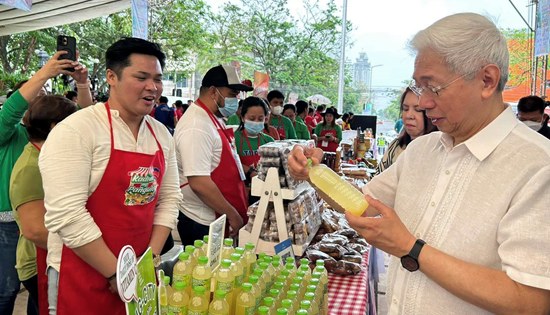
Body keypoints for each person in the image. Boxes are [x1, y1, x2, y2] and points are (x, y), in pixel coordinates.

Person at [288, 13, 550, 314]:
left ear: (487, 81)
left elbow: (531, 300)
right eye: (418, 87)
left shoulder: (537, 166)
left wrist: (411, 249)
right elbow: (363, 204)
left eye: (433, 87)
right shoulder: (422, 150)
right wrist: (314, 174)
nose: (424, 103)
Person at [40, 37, 181, 314]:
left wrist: (147, 260)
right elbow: (67, 215)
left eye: (158, 79)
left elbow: (169, 198)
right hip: (83, 272)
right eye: (141, 77)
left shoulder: (161, 134)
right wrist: (116, 273)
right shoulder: (78, 130)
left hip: (138, 271)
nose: (152, 87)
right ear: (111, 77)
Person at [0, 52, 91, 315]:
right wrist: (45, 73)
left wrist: (82, 84)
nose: (38, 103)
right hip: (11, 222)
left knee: (40, 297)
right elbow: (10, 112)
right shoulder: (12, 134)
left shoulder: (61, 145)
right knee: (7, 288)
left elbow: (85, 118)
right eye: (34, 98)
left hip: (46, 231)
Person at [10, 95, 77, 315]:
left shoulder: (51, 156)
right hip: (39, 263)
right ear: (55, 127)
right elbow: (35, 230)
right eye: (73, 123)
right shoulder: (30, 167)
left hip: (55, 256)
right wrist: (86, 249)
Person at [174, 64, 252, 246]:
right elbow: (199, 183)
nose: (237, 99)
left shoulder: (212, 118)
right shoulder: (196, 126)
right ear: (213, 92)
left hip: (217, 218)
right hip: (202, 222)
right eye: (232, 94)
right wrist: (232, 215)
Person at [376, 87, 437, 173]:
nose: (409, 115)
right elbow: (376, 181)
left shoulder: (440, 150)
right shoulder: (395, 146)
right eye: (405, 109)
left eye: (418, 110)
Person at [234, 97, 275, 183]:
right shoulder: (233, 139)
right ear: (242, 118)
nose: (256, 122)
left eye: (260, 119)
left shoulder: (269, 141)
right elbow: (229, 163)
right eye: (252, 119)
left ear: (265, 119)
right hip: (241, 187)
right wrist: (249, 171)